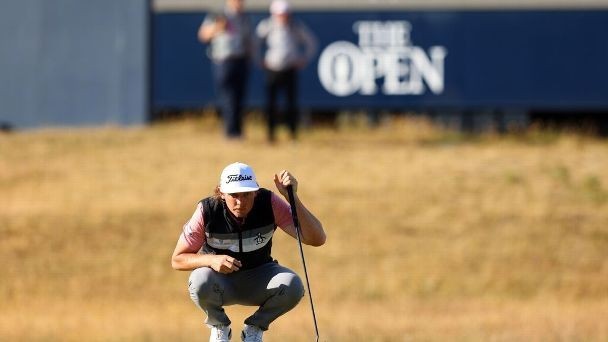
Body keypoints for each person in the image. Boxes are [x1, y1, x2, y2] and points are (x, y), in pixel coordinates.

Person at [171, 162, 326, 342]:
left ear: (255, 192)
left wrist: (292, 198)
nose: (240, 202)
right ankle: (219, 327)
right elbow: (177, 259)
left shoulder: (269, 202)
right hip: (220, 282)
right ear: (221, 192)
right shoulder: (207, 210)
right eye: (233, 195)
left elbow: (316, 239)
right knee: (199, 280)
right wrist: (210, 261)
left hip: (259, 277)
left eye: (246, 194)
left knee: (293, 285)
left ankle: (254, 330)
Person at [255, 0, 318, 143]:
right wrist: (259, 60)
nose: (283, 17)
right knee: (271, 104)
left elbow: (311, 43)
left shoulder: (295, 27)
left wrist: (303, 59)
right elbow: (255, 44)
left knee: (291, 103)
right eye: (280, 14)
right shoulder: (267, 26)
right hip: (272, 69)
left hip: (290, 69)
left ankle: (292, 134)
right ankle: (271, 135)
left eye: (285, 14)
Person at [198, 0, 253, 139]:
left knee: (240, 97)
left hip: (240, 59)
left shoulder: (244, 17)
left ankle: (238, 131)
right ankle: (230, 132)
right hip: (223, 60)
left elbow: (248, 40)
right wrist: (217, 27)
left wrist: (249, 57)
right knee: (228, 97)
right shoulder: (218, 14)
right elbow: (203, 35)